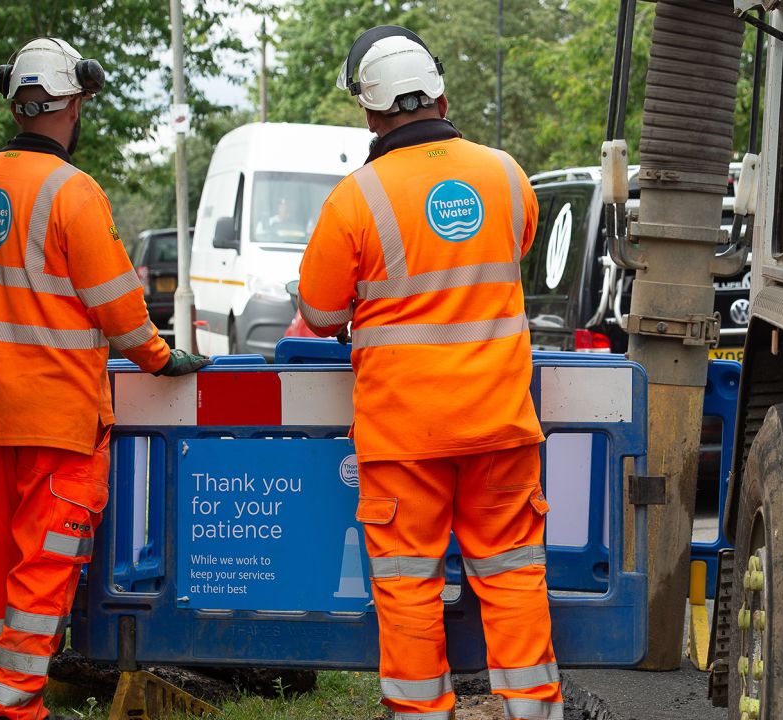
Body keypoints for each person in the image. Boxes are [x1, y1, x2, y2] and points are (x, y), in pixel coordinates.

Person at [298, 25, 562, 720]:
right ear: (441, 93)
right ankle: (532, 709)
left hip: (403, 436)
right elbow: (516, 246)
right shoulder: (506, 175)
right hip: (499, 424)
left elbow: (320, 314)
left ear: (370, 111)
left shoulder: (355, 199)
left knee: (409, 585)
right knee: (511, 576)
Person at [0, 38, 210, 720]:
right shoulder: (74, 191)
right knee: (44, 566)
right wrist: (160, 357)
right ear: (75, 101)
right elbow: (121, 310)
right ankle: (13, 706)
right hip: (57, 414)